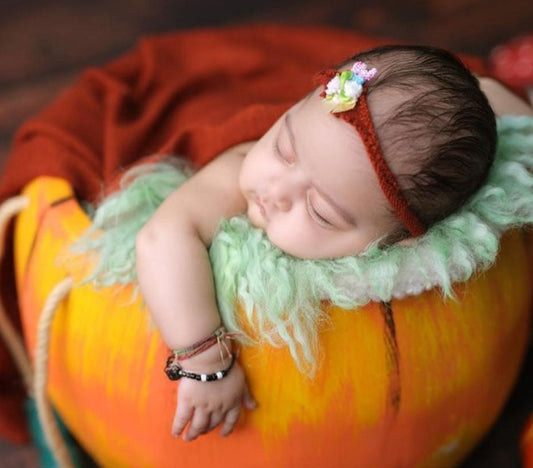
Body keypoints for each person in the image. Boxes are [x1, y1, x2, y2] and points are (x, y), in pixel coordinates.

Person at [135, 44, 531, 443]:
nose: (275, 189)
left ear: (398, 243)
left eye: (320, 211)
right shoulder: (237, 173)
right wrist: (206, 363)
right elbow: (161, 237)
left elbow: (501, 109)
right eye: (283, 149)